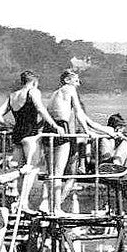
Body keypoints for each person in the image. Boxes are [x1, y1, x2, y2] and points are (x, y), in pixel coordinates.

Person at [45, 70, 118, 212]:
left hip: (49, 129)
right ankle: (55, 208)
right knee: (58, 173)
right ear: (67, 80)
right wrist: (87, 131)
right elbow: (79, 113)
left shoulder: (55, 94)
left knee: (51, 173)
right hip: (62, 128)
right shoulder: (70, 89)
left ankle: (49, 206)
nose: (79, 83)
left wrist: (106, 130)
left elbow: (85, 119)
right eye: (76, 80)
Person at [0, 71, 63, 216]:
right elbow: (40, 109)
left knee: (21, 171)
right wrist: (55, 125)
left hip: (17, 135)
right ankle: (23, 203)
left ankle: (19, 201)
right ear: (34, 81)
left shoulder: (13, 95)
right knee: (32, 169)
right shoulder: (33, 91)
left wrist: (10, 125)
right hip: (30, 135)